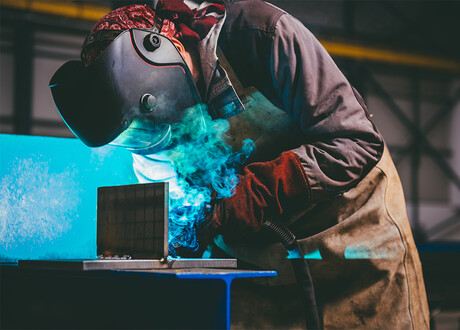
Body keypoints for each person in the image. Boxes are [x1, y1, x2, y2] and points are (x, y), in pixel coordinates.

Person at [50, 0, 430, 328]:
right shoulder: (142, 123)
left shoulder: (264, 35)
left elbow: (357, 141)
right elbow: (177, 192)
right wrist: (185, 223)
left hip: (353, 247)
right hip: (262, 269)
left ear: (167, 63)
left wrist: (258, 191)